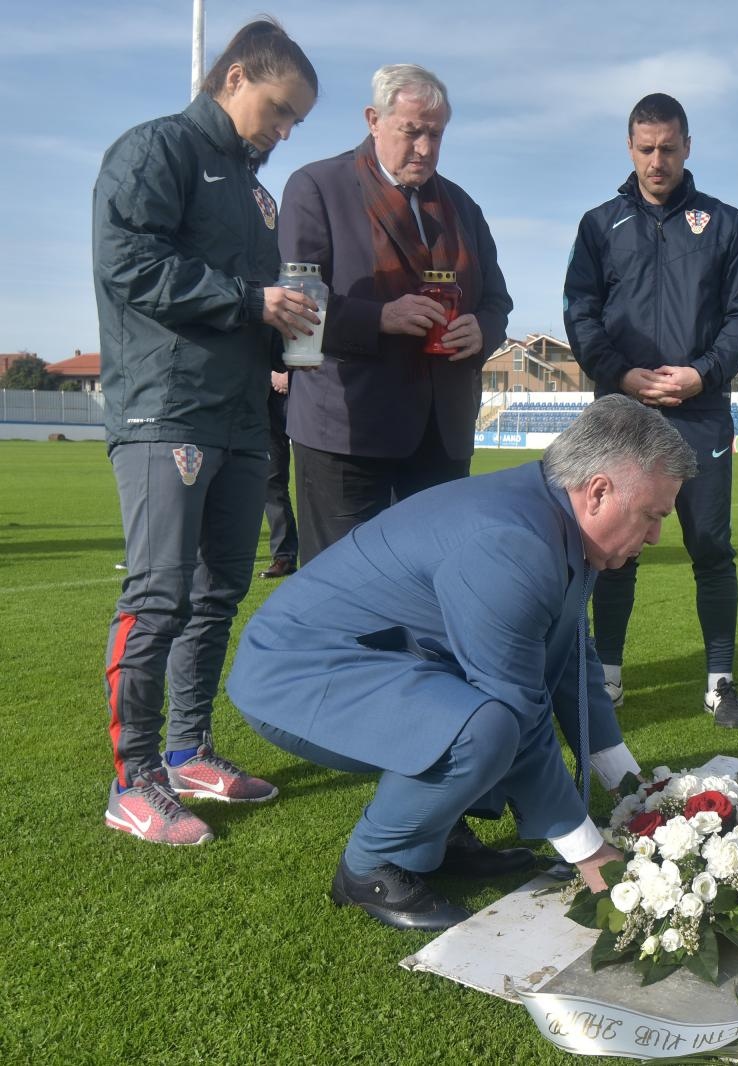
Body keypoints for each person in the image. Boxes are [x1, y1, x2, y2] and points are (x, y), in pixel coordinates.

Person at [226, 396, 694, 930]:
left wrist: (630, 785)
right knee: (485, 726)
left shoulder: (549, 516)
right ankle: (369, 866)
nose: (656, 536)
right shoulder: (515, 543)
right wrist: (590, 853)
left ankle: (437, 834)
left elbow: (569, 657)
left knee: (483, 712)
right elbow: (520, 711)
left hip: (357, 657)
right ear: (599, 492)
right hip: (295, 674)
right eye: (652, 515)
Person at [92, 19, 320, 846]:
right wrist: (251, 301)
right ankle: (132, 780)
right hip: (167, 406)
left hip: (240, 415)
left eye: (297, 120)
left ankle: (187, 751)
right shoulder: (158, 150)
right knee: (160, 594)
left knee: (219, 591)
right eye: (280, 109)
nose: (285, 130)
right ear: (234, 78)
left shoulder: (256, 193)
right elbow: (127, 262)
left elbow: (250, 302)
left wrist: (286, 334)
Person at [563, 93, 738, 729]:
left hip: (699, 410)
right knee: (613, 548)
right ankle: (608, 679)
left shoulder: (725, 224)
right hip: (621, 412)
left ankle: (720, 682)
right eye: (646, 149)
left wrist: (702, 373)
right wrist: (620, 373)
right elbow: (579, 313)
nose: (657, 161)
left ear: (687, 146)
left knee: (710, 546)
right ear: (629, 147)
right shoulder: (599, 225)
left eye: (669, 149)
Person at [279, 63, 512, 565]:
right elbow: (297, 305)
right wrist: (380, 318)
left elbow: (497, 300)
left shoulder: (462, 207)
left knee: (431, 582)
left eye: (436, 134)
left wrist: (482, 329)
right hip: (348, 432)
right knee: (339, 584)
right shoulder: (317, 187)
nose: (424, 148)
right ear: (373, 120)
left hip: (442, 436)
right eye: (412, 132)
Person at [259, 370, 299, 578]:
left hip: (307, 391)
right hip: (267, 396)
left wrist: (291, 375)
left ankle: (321, 552)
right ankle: (284, 556)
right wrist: (272, 374)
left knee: (313, 476)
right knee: (271, 480)